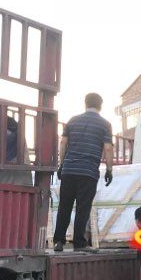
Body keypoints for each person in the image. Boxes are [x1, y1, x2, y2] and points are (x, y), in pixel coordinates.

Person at [53, 93, 114, 252]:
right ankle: (79, 243)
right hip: (88, 172)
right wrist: (109, 170)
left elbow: (63, 143)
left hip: (69, 170)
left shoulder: (72, 121)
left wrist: (61, 165)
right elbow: (108, 148)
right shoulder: (105, 124)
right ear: (100, 106)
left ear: (85, 104)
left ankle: (58, 241)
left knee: (64, 206)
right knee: (83, 207)